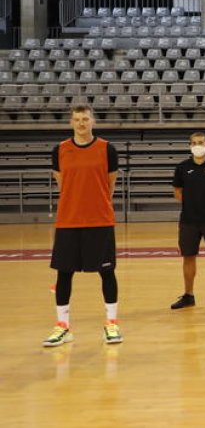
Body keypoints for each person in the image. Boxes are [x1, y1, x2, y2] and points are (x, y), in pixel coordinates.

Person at [44, 104, 122, 347]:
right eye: (77, 119)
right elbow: (63, 185)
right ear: (71, 122)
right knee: (64, 273)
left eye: (85, 119)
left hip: (100, 219)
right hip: (68, 220)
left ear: (92, 121)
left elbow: (109, 184)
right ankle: (63, 326)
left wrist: (95, 202)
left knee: (106, 272)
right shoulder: (60, 150)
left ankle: (111, 323)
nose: (81, 123)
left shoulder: (107, 149)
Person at [169, 132, 205, 310]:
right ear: (190, 146)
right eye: (194, 143)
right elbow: (177, 191)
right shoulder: (182, 167)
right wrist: (191, 203)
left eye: (200, 142)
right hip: (189, 220)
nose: (197, 145)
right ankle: (188, 295)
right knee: (188, 257)